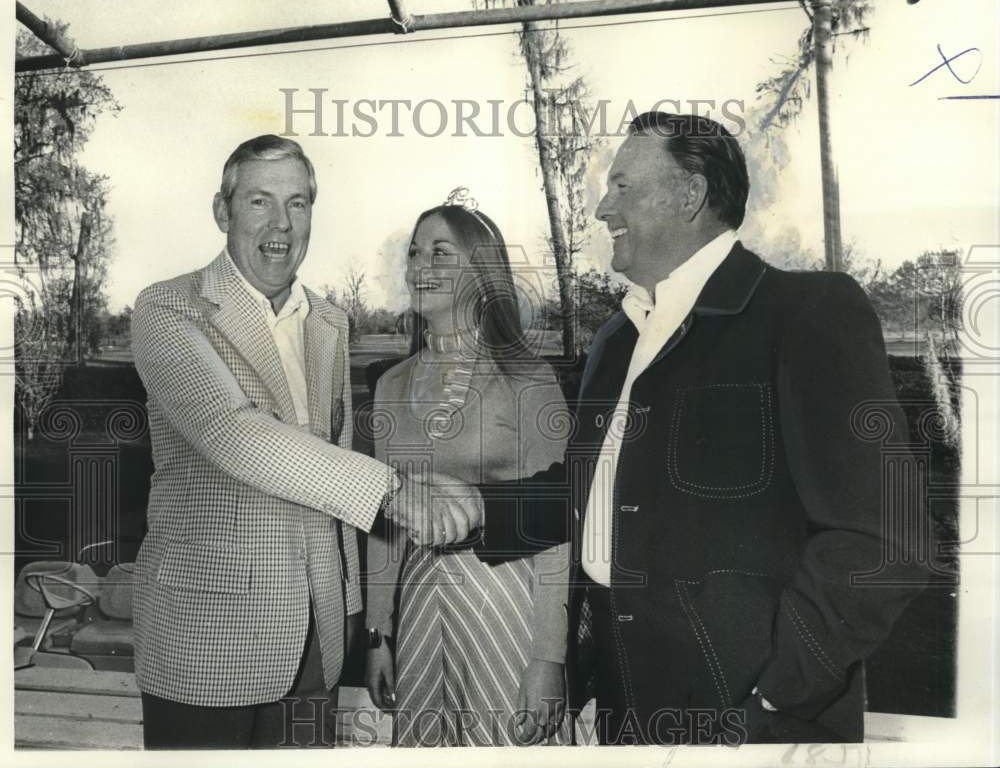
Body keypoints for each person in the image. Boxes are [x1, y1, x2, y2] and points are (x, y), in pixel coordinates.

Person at [433, 112, 929, 744]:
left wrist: (779, 694)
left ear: (690, 195)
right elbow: (590, 491)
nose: (601, 208)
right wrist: (479, 506)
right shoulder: (617, 339)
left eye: (622, 187)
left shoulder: (806, 312)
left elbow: (885, 538)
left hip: (747, 715)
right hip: (622, 700)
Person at [130, 134, 455, 748]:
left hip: (318, 639)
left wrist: (351, 602)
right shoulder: (169, 309)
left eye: (298, 203)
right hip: (204, 641)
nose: (281, 224)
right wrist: (393, 491)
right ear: (222, 212)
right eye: (259, 202)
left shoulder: (330, 322)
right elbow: (234, 432)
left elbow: (334, 449)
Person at [364, 202, 573, 746]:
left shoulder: (529, 377)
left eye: (440, 252)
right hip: (415, 606)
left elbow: (558, 526)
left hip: (507, 606)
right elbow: (383, 523)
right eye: (413, 251)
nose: (419, 265)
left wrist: (549, 657)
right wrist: (378, 633)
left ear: (482, 272)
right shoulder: (389, 383)